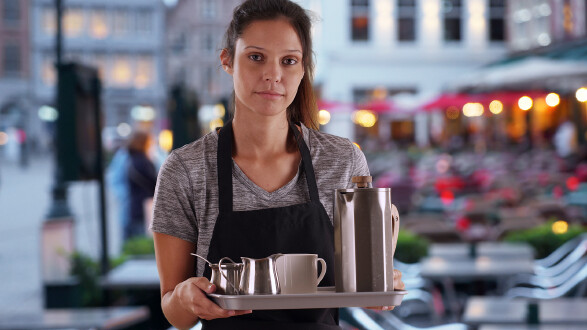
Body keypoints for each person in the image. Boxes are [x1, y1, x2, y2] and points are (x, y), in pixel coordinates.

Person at [151, 1, 404, 329]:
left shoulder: (342, 161)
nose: (273, 74)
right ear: (227, 60)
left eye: (289, 61)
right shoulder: (184, 170)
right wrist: (185, 297)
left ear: (303, 69)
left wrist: (378, 287)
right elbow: (174, 313)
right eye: (256, 57)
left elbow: (363, 284)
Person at [126, 130, 158, 240]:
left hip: (136, 206)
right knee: (145, 239)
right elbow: (156, 182)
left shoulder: (131, 159)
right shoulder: (143, 161)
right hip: (145, 207)